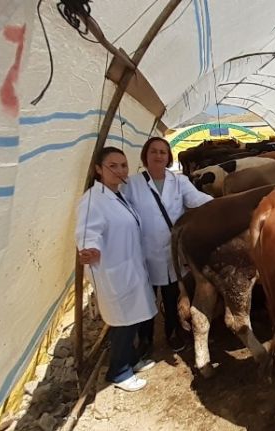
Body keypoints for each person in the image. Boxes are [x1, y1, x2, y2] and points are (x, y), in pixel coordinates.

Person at [76, 146, 157, 392]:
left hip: (128, 267)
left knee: (129, 320)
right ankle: (118, 371)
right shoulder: (93, 200)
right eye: (113, 165)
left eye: (123, 165)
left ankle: (131, 359)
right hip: (113, 272)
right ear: (99, 169)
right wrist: (91, 249)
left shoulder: (118, 195)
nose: (120, 170)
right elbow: (88, 230)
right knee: (122, 323)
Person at [124, 137, 213, 354]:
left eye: (163, 152)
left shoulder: (179, 182)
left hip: (172, 252)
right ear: (145, 155)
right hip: (144, 252)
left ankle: (172, 333)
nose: (158, 156)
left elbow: (198, 200)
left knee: (173, 295)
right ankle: (145, 338)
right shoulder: (132, 184)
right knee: (146, 298)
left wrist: (224, 203)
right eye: (153, 151)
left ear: (169, 157)